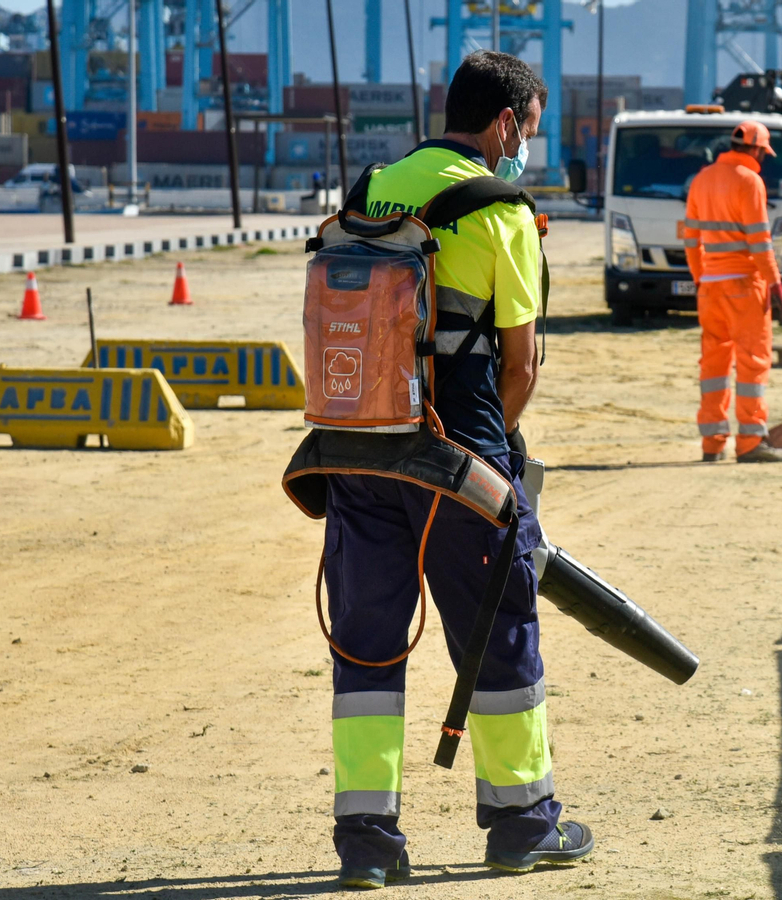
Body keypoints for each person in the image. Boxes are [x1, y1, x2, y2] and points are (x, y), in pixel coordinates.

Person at [319, 50, 592, 888]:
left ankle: (366, 844)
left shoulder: (371, 190)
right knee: (497, 630)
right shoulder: (501, 209)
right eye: (529, 130)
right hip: (456, 460)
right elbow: (522, 366)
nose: (526, 148)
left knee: (366, 649)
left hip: (357, 449)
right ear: (505, 123)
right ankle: (522, 823)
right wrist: (488, 451)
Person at [681, 120, 782, 463]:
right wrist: (775, 283)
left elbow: (690, 239)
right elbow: (760, 241)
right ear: (756, 149)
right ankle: (750, 442)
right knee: (752, 363)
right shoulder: (750, 181)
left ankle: (712, 443)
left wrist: (701, 278)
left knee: (713, 364)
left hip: (711, 288)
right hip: (744, 285)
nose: (763, 158)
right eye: (763, 153)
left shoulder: (701, 179)